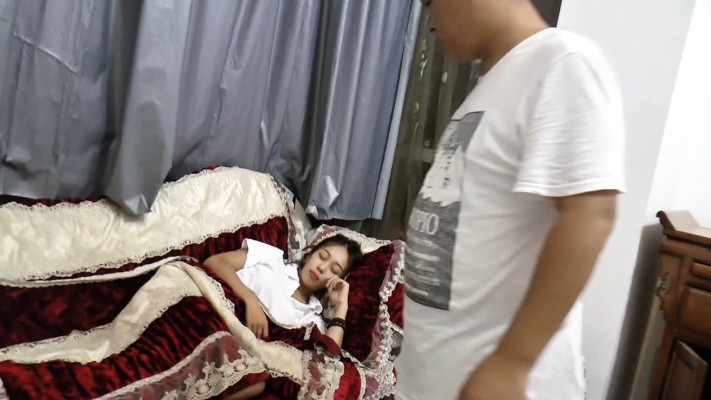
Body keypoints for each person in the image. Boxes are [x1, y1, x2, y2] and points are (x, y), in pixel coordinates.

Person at [395, 1, 625, 400]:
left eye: (431, 3)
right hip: (433, 380)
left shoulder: (562, 62)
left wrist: (512, 363)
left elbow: (591, 214)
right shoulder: (493, 84)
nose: (430, 24)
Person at [204, 234, 363, 400]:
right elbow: (215, 262)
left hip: (240, 357)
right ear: (309, 254)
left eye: (334, 270)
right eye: (322, 256)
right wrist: (250, 299)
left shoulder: (312, 319)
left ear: (336, 280)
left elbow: (327, 363)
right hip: (213, 315)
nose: (322, 267)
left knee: (255, 384)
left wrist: (341, 306)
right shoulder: (273, 257)